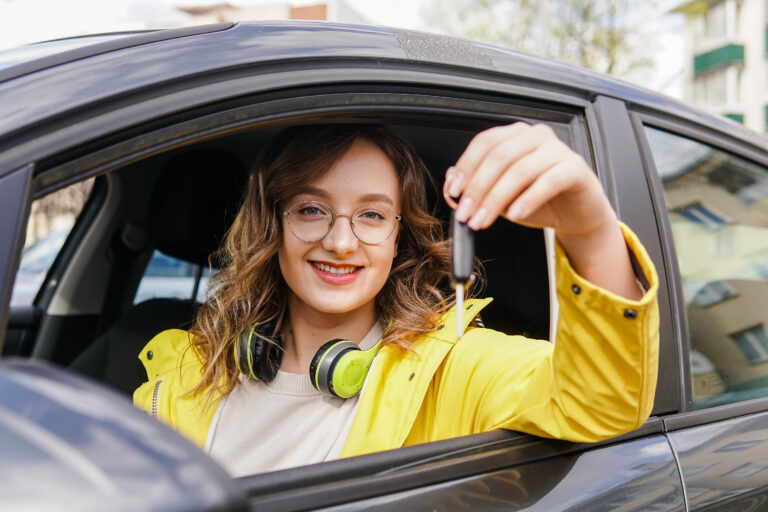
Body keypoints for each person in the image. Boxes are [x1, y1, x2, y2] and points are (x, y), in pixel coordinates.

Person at [134, 123, 659, 477]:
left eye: (372, 215)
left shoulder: (452, 365)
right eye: (311, 209)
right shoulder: (190, 365)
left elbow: (600, 403)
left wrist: (591, 233)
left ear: (397, 238)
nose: (340, 242)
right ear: (273, 225)